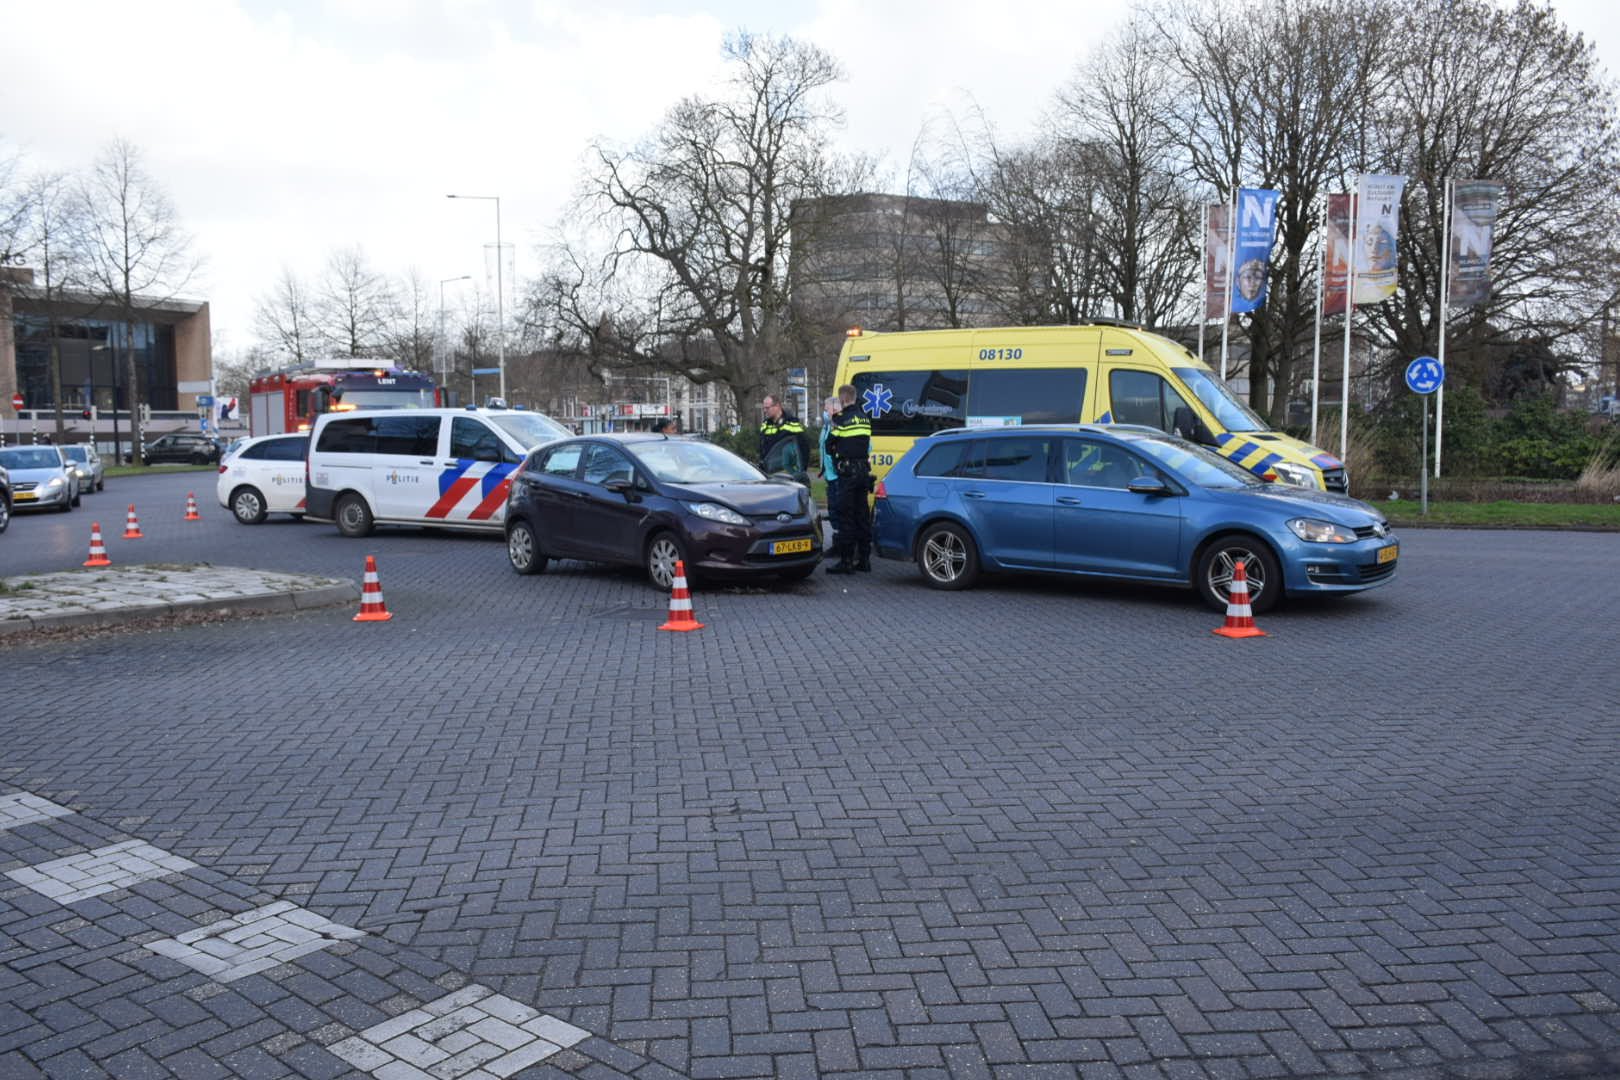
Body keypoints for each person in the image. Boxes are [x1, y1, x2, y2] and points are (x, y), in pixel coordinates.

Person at [823, 384, 873, 574]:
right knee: (862, 516)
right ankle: (865, 560)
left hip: (847, 474)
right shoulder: (865, 418)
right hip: (863, 474)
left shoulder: (841, 420)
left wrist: (838, 447)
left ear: (842, 399)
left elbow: (829, 446)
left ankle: (846, 561)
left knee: (846, 516)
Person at [818, 394, 844, 556]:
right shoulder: (827, 427)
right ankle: (837, 543)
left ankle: (845, 546)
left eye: (826, 409)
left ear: (834, 409)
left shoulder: (842, 425)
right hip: (830, 475)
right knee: (833, 511)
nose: (824, 413)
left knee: (841, 511)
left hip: (839, 476)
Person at [758, 394, 808, 474]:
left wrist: (801, 471)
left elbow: (803, 447)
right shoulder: (765, 424)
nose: (764, 410)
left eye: (767, 408)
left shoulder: (791, 422)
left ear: (777, 406)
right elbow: (762, 448)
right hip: (768, 471)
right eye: (764, 408)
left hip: (785, 472)